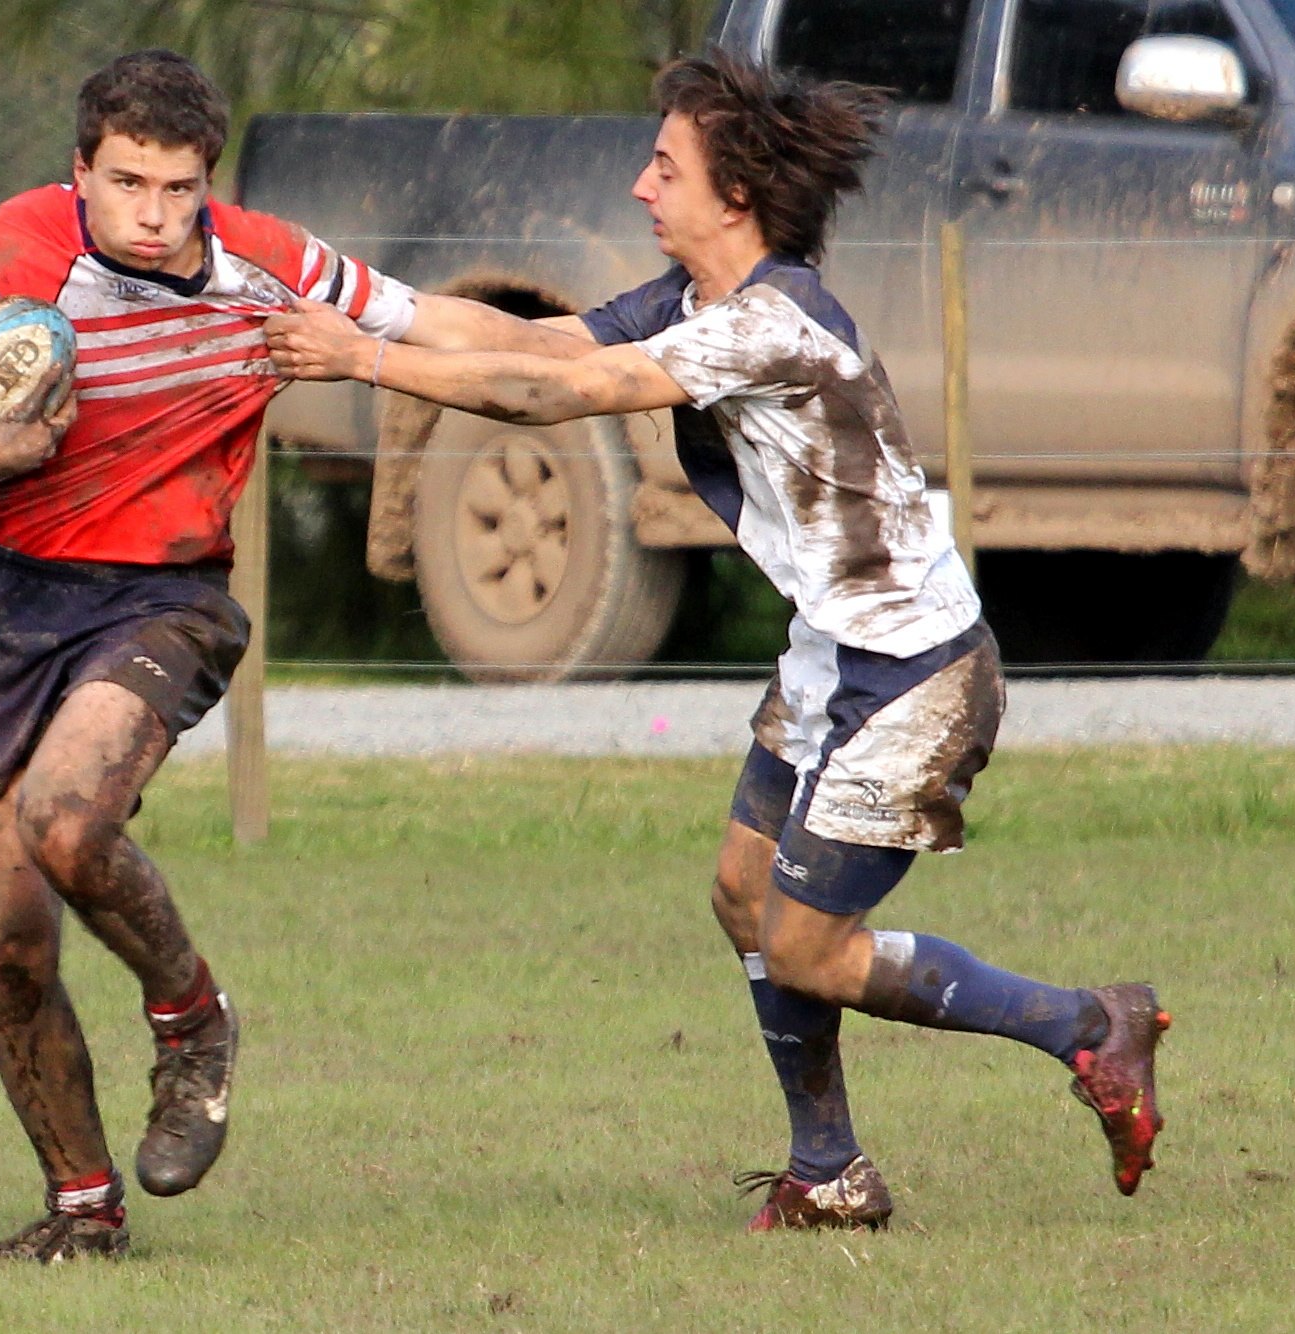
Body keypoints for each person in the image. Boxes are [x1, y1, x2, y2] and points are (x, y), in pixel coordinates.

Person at [266, 49, 1171, 1231]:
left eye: (663, 166)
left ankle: (1084, 1024)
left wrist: (364, 364)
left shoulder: (770, 323)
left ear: (731, 195)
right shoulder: (695, 307)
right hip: (828, 656)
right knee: (743, 894)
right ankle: (828, 1168)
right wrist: (345, 296)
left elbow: (558, 399)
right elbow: (536, 345)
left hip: (914, 678)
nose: (641, 186)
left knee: (804, 945)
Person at [0, 48, 566, 1262]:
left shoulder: (267, 263)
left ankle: (193, 1019)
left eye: (178, 188)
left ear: (208, 181)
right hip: (12, 599)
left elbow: (439, 320)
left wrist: (611, 335)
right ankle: (83, 1209)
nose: (151, 214)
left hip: (163, 597)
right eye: (127, 183)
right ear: (80, 169)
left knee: (66, 820)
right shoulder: (23, 243)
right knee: (6, 943)